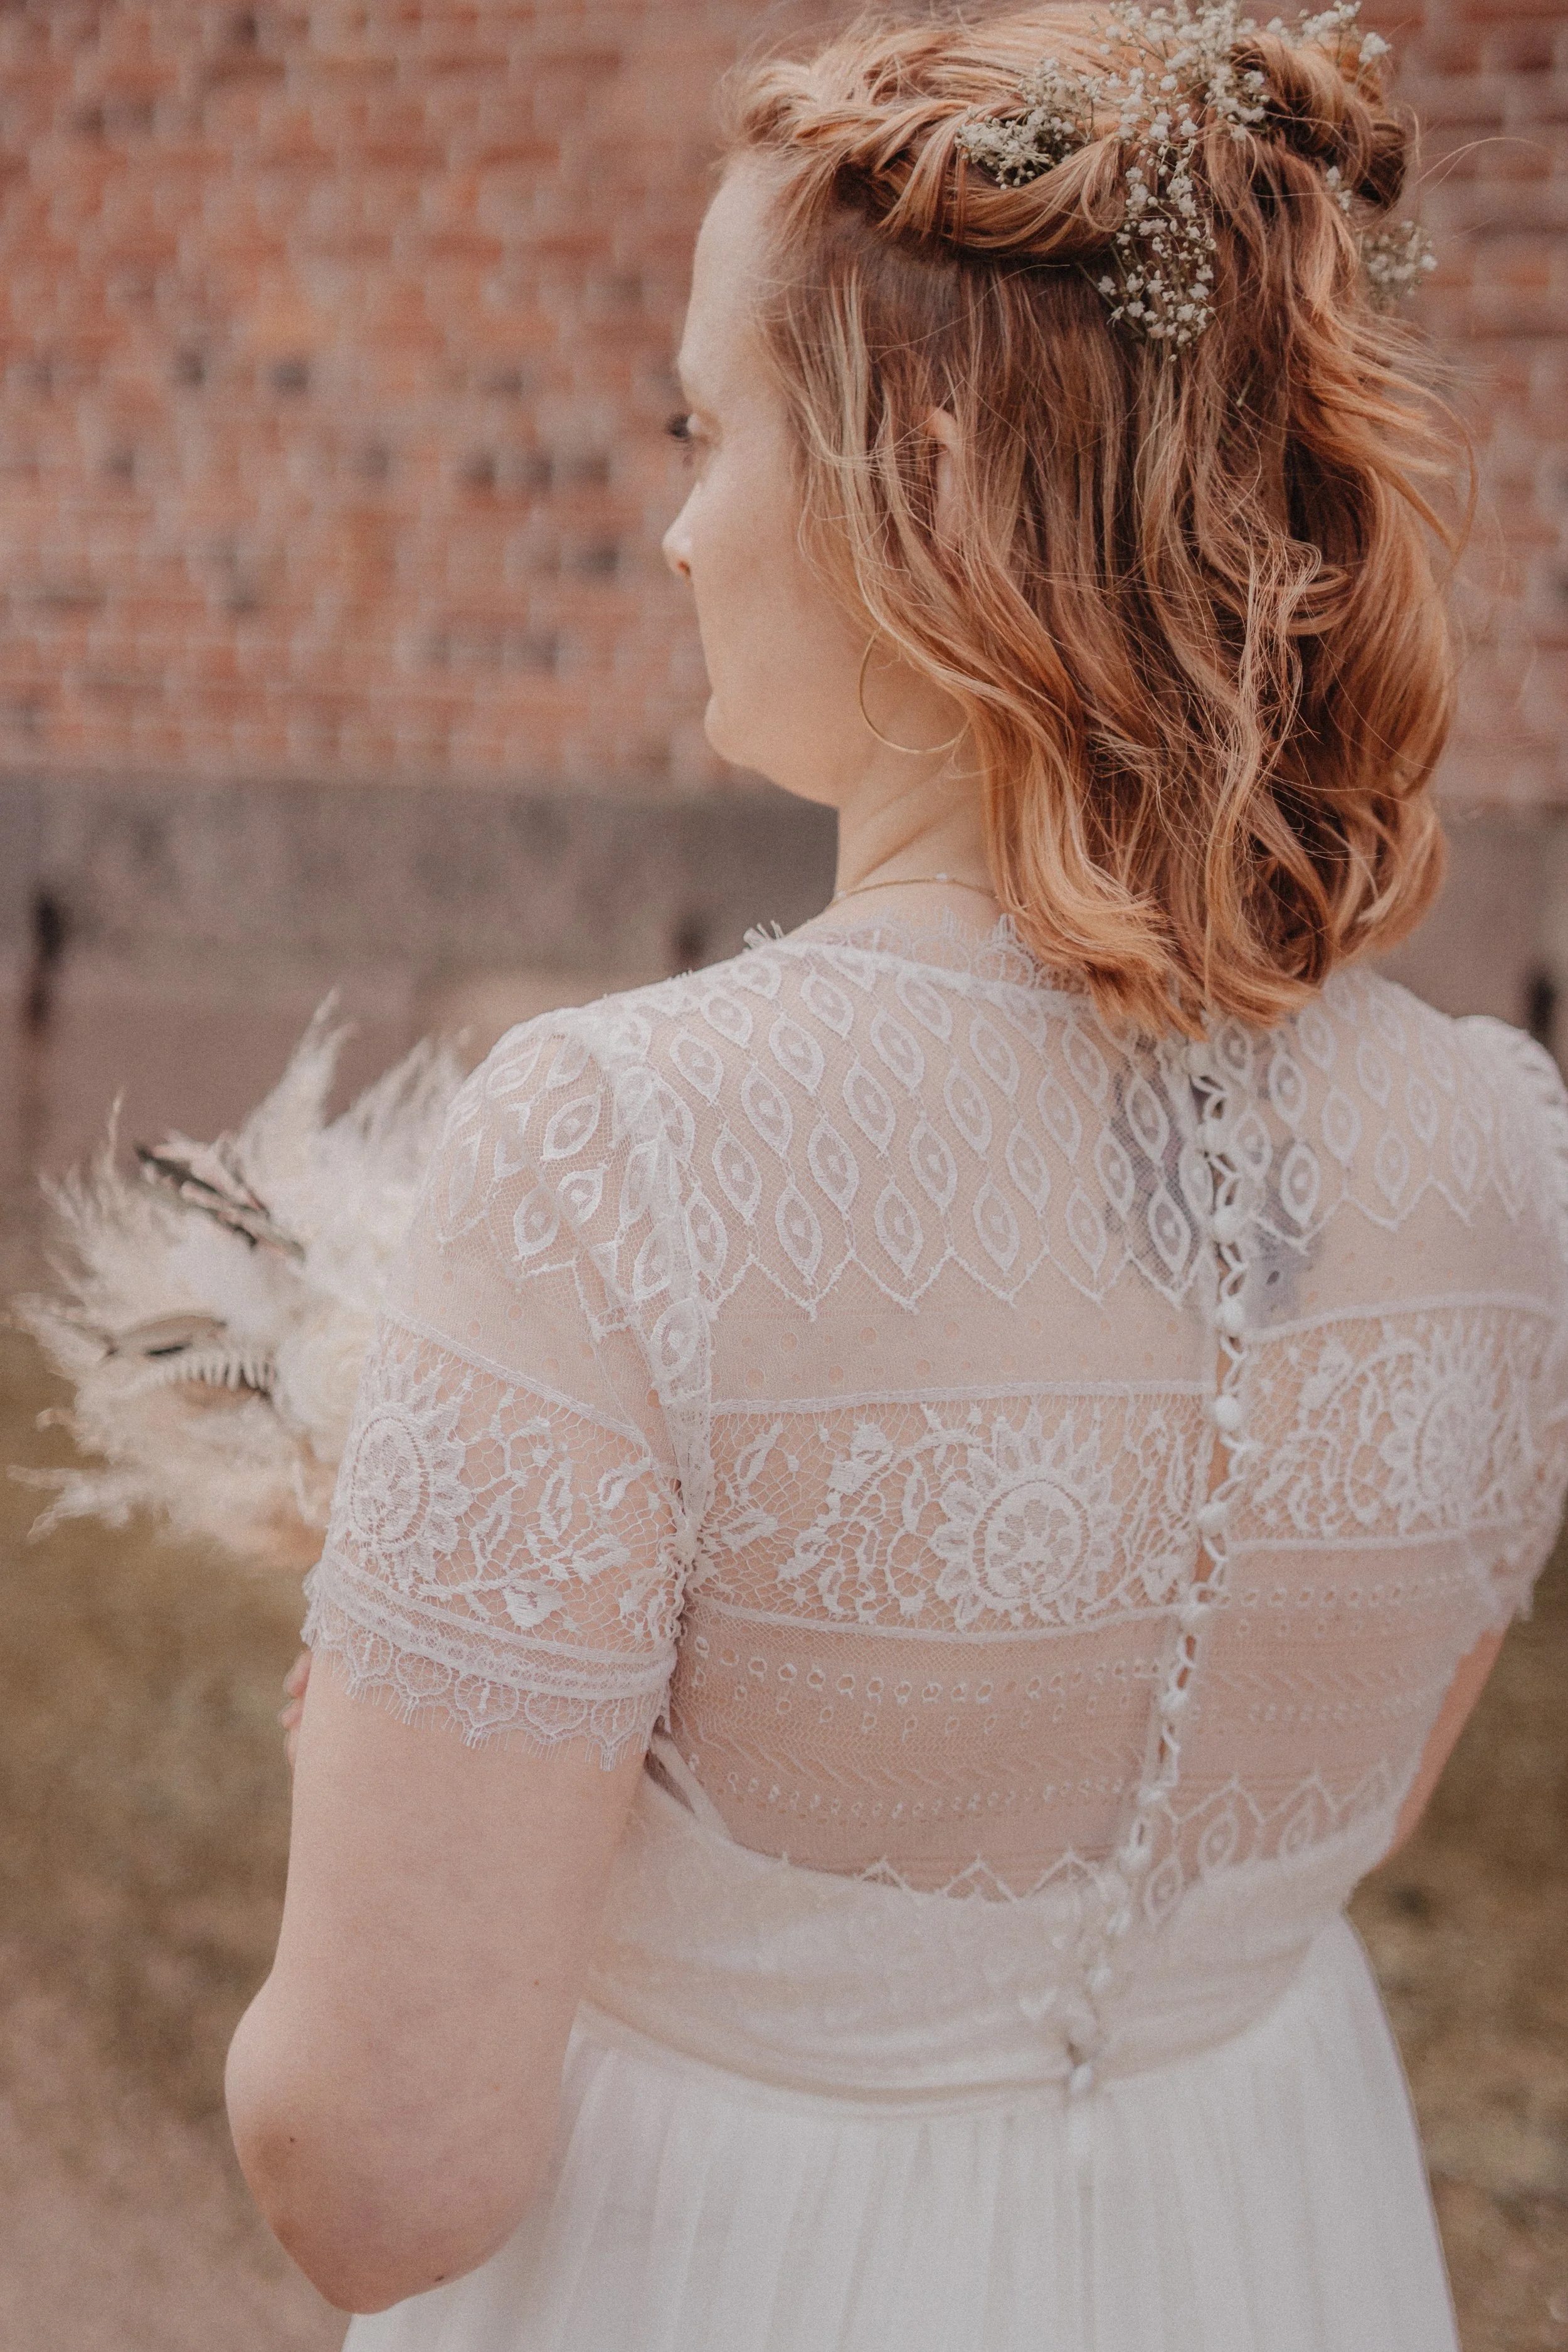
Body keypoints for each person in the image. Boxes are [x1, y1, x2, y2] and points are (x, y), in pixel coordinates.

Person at [225, 7, 1568, 2346]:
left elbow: (382, 2169)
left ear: (903, 479)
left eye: (700, 425)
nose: (668, 521)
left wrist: (379, 1725)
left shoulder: (614, 1158)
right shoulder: (1504, 1156)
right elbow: (1321, 1828)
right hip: (1268, 2244)